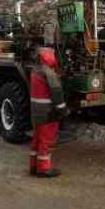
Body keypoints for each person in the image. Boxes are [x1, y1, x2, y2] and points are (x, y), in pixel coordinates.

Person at [29, 46, 67, 178]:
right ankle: (44, 169)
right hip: (47, 112)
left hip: (36, 111)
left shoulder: (35, 71)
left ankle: (34, 166)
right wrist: (62, 109)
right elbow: (56, 92)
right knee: (47, 140)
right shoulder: (49, 73)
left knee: (37, 139)